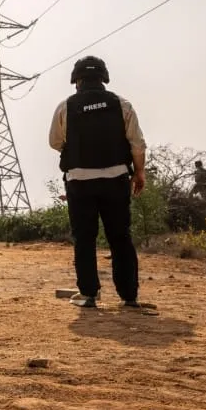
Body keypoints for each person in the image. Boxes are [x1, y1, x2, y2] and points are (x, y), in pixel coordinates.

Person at [48, 55, 148, 309]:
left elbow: (55, 142)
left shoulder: (65, 106)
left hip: (79, 181)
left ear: (76, 80)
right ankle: (129, 297)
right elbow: (137, 144)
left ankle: (89, 294)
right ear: (103, 79)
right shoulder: (121, 104)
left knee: (85, 238)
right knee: (120, 237)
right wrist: (139, 173)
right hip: (116, 179)